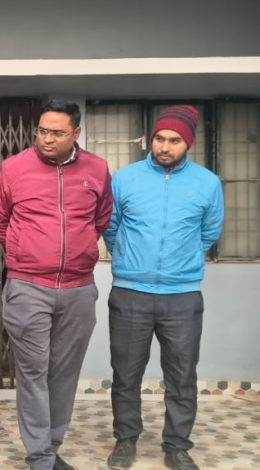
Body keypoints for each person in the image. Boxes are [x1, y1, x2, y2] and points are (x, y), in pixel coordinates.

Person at [0, 99, 113, 470]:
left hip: (78, 289)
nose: (46, 139)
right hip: (28, 288)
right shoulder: (14, 168)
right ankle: (40, 457)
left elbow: (101, 219)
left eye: (57, 132)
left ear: (76, 133)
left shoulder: (97, 169)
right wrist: (27, 251)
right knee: (32, 373)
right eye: (42, 130)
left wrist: (77, 250)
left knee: (64, 375)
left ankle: (52, 447)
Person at [103, 106, 224, 470]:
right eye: (159, 138)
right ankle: (126, 440)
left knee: (182, 376)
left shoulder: (207, 183)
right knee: (126, 375)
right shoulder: (125, 179)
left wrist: (181, 263)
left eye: (174, 140)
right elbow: (111, 226)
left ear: (188, 143)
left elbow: (209, 232)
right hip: (130, 293)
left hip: (182, 296)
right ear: (151, 140)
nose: (165, 146)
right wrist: (130, 260)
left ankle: (177, 446)